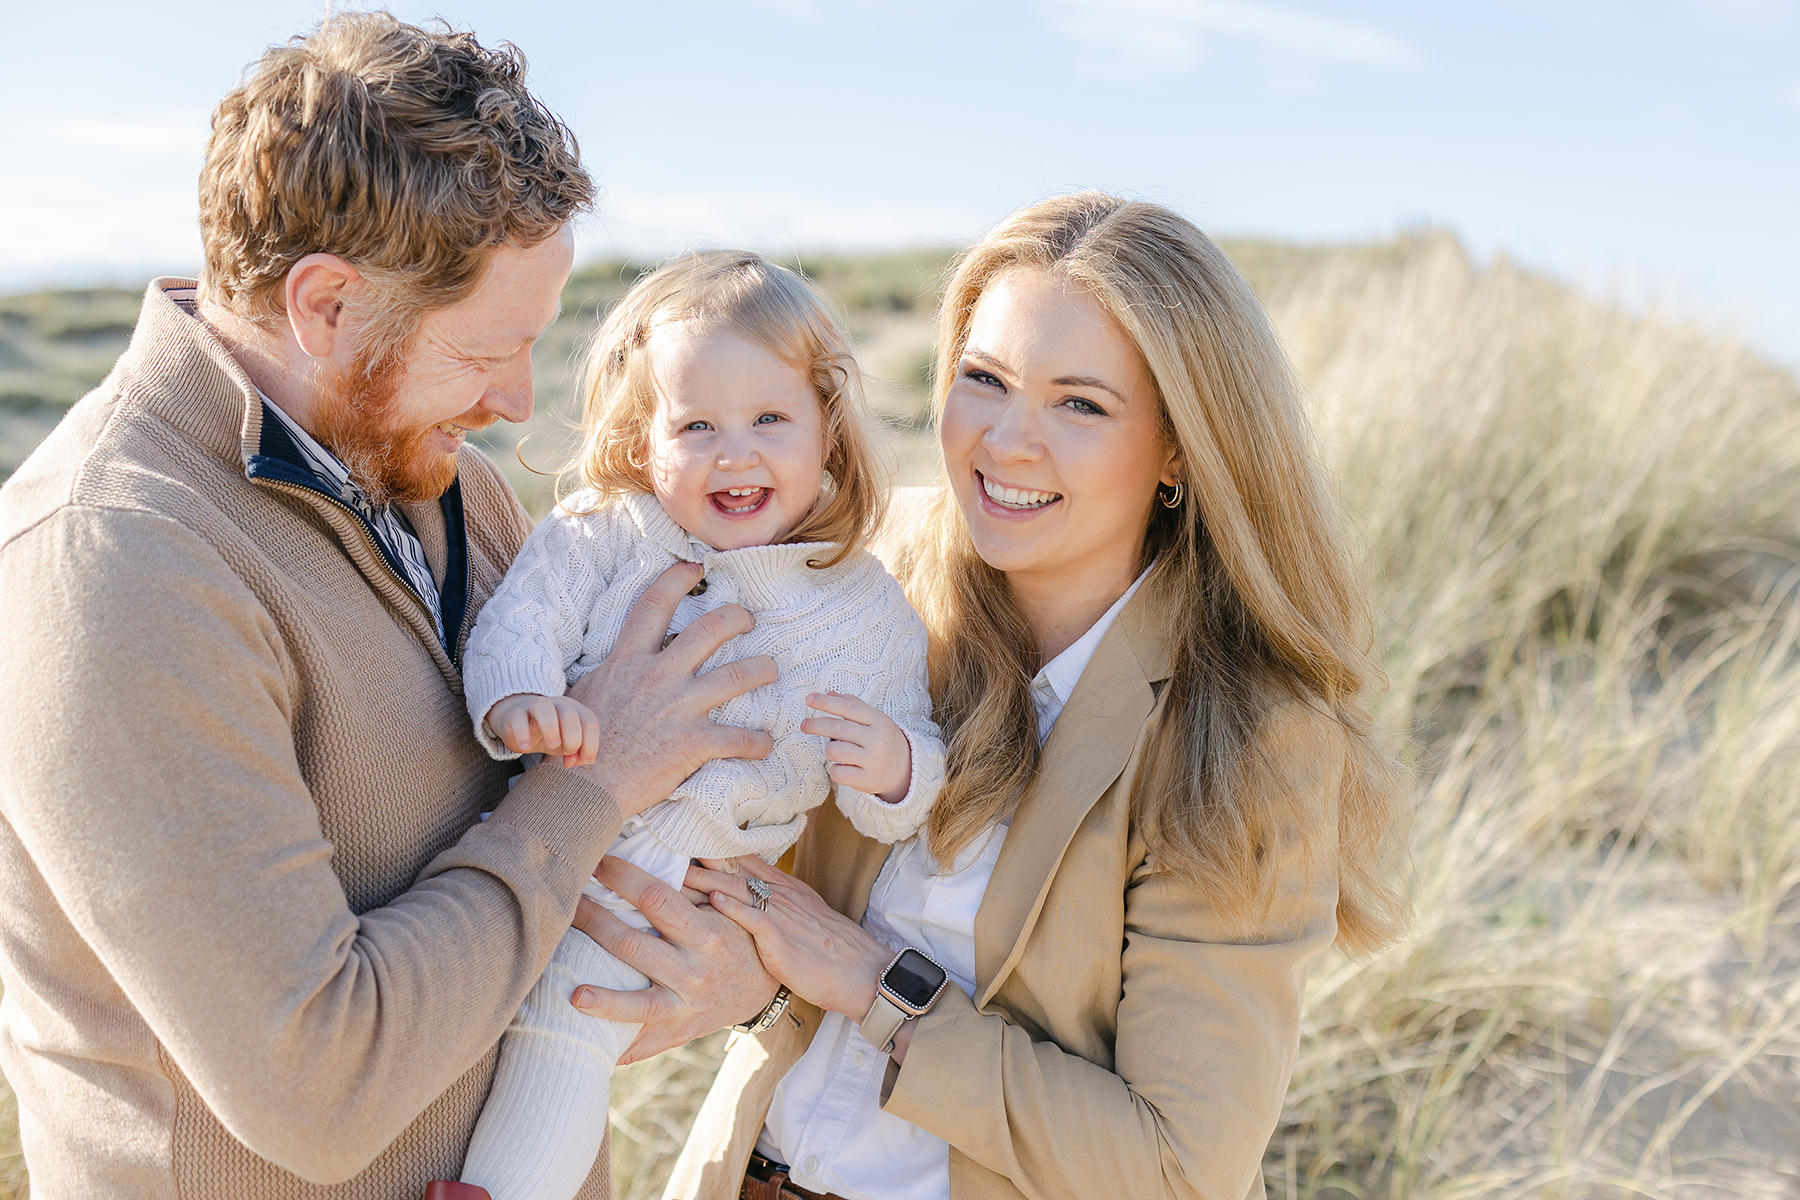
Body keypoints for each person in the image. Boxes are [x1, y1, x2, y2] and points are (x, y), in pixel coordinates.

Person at [0, 16, 775, 1199]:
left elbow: (573, 852)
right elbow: (319, 1088)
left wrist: (732, 969)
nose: (517, 402)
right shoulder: (112, 567)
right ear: (325, 306)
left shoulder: (435, 474)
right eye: (483, 352)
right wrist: (596, 780)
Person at [573, 192, 1412, 1200]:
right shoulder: (855, 581)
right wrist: (751, 981)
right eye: (985, 380)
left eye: (1080, 404)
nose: (1007, 441)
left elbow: (1179, 1168)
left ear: (1182, 449)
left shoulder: (1251, 738)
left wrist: (874, 988)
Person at [448, 252, 945, 1200]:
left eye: (770, 420)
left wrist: (893, 769)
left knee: (569, 1022)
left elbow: (905, 795)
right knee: (473, 1011)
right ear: (644, 441)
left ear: (827, 436)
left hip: (686, 871)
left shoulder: (861, 609)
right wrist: (518, 704)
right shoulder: (604, 531)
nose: (736, 453)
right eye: (697, 426)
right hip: (547, 821)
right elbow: (521, 625)